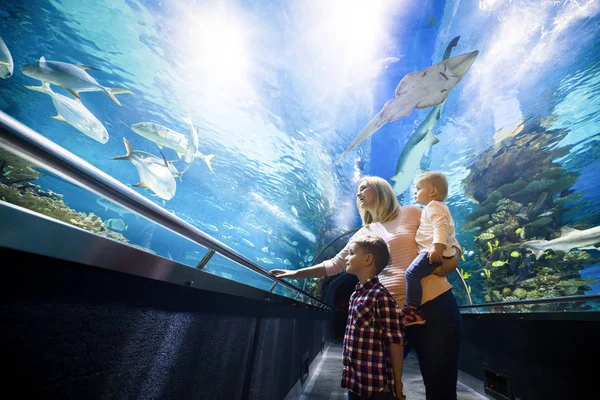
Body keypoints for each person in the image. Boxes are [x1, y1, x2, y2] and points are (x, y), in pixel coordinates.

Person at [271, 176, 463, 400]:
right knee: (380, 386)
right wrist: (295, 273)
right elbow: (335, 264)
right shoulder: (363, 234)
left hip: (436, 308)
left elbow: (447, 237)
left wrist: (453, 259)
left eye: (364, 188)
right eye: (357, 190)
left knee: (441, 388)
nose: (358, 193)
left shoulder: (412, 212)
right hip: (392, 317)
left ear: (381, 190)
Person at [342, 235, 405, 400]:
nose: (346, 257)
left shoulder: (381, 296)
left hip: (375, 385)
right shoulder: (355, 295)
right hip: (354, 380)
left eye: (352, 253)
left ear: (367, 259)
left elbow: (395, 341)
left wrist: (397, 383)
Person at [401, 171, 460, 327]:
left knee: (411, 274)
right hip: (432, 249)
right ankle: (413, 309)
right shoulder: (435, 207)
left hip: (432, 251)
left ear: (432, 192)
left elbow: (441, 227)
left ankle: (412, 310)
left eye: (419, 188)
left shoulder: (434, 207)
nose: (415, 192)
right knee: (413, 274)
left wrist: (436, 247)